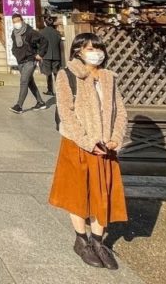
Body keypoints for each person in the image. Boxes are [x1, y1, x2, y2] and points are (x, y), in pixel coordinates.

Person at [48, 33, 128, 270]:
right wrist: (86, 141)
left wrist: (115, 139)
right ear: (78, 51)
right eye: (89, 48)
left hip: (106, 146)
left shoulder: (108, 78)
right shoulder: (67, 75)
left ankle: (98, 241)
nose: (95, 52)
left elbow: (120, 111)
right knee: (78, 192)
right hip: (79, 143)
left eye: (98, 47)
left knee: (102, 192)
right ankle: (81, 240)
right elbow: (66, 112)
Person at [9, 13, 49, 113]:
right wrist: (14, 53)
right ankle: (40, 102)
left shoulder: (30, 32)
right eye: (14, 22)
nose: (16, 23)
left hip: (30, 60)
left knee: (23, 81)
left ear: (22, 20)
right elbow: (14, 46)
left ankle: (19, 105)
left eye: (18, 21)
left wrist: (40, 54)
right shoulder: (14, 33)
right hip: (20, 61)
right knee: (30, 82)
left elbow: (44, 40)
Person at [39, 15, 64, 126]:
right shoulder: (57, 33)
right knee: (56, 74)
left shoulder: (42, 32)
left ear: (45, 23)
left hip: (47, 55)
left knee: (47, 73)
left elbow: (39, 44)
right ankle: (59, 90)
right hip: (56, 55)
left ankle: (50, 89)